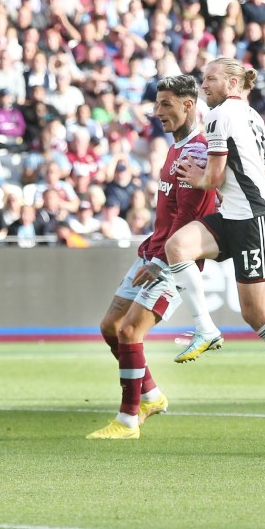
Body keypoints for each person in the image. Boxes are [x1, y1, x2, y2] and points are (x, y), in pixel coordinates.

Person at [165, 58, 265, 427]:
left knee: (255, 313)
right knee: (178, 247)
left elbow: (214, 177)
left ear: (233, 83)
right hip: (241, 216)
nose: (204, 85)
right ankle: (205, 328)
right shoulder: (252, 115)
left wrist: (196, 175)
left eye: (211, 79)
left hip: (254, 224)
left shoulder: (219, 116)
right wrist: (245, 186)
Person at [87, 75, 217, 440]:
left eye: (166, 105)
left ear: (188, 105)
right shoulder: (177, 147)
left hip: (174, 262)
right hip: (154, 251)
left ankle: (129, 419)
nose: (157, 112)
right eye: (157, 104)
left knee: (130, 331)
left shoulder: (197, 152)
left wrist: (160, 261)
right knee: (110, 327)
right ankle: (152, 395)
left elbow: (189, 222)